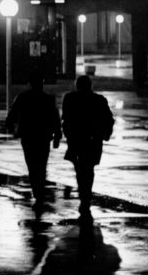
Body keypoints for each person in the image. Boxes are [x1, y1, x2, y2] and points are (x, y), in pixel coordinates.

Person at [61, 75, 115, 217]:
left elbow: (65, 118)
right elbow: (108, 119)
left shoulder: (70, 98)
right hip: (93, 140)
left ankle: (83, 194)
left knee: (79, 169)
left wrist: (67, 133)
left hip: (76, 139)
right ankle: (86, 196)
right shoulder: (99, 100)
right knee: (89, 168)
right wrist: (105, 134)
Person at [6, 71, 62, 206]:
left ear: (30, 84)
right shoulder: (48, 99)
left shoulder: (22, 97)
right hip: (43, 136)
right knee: (42, 164)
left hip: (28, 135)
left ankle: (37, 190)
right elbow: (55, 119)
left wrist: (10, 126)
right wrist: (57, 136)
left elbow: (13, 114)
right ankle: (40, 190)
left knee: (31, 164)